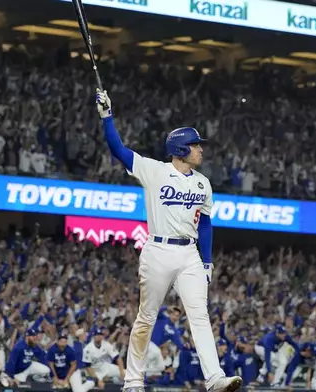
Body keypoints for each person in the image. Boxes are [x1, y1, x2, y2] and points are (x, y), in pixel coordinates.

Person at [95, 89, 242, 392]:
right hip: (158, 249)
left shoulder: (203, 182)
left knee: (200, 314)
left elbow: (206, 224)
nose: (200, 149)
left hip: (189, 253)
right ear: (180, 148)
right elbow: (118, 150)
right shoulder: (155, 171)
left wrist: (207, 259)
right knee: (146, 317)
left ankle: (214, 378)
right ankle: (133, 381)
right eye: (195, 144)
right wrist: (107, 116)